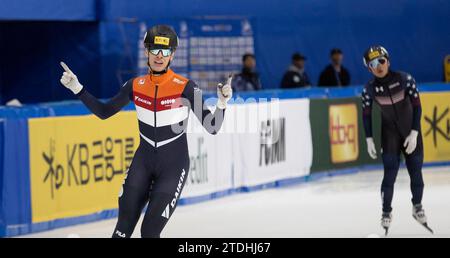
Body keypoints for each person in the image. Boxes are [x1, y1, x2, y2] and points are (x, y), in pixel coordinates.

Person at [59, 25, 233, 238]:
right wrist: (78, 88)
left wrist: (222, 103)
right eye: (154, 50)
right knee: (122, 231)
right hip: (142, 164)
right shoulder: (135, 85)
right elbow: (104, 112)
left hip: (173, 168)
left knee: (149, 232)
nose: (159, 56)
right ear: (146, 52)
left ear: (172, 55)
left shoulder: (186, 87)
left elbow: (212, 126)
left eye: (166, 51)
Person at [361, 45, 432, 235]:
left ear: (388, 61)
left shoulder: (404, 79)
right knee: (389, 173)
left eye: (381, 61)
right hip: (389, 135)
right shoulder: (369, 89)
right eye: (373, 64)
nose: (378, 66)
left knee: (416, 171)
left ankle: (417, 207)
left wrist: (415, 132)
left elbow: (417, 107)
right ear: (369, 68)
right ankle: (386, 212)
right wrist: (368, 138)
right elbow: (366, 115)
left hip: (410, 131)